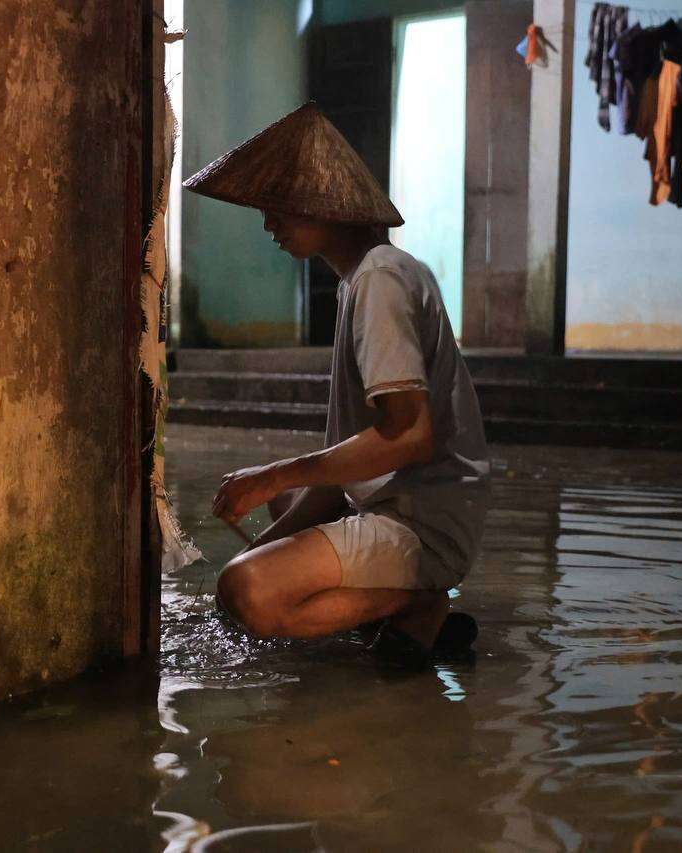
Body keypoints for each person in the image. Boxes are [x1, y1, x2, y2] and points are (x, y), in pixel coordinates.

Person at [182, 102, 490, 667]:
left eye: (277, 210)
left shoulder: (380, 279)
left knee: (245, 591)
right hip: (396, 507)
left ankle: (417, 602)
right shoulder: (364, 279)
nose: (268, 225)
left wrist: (274, 475)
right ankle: (391, 617)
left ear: (320, 207)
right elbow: (353, 465)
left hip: (421, 525)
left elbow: (408, 439)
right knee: (266, 534)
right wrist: (269, 530)